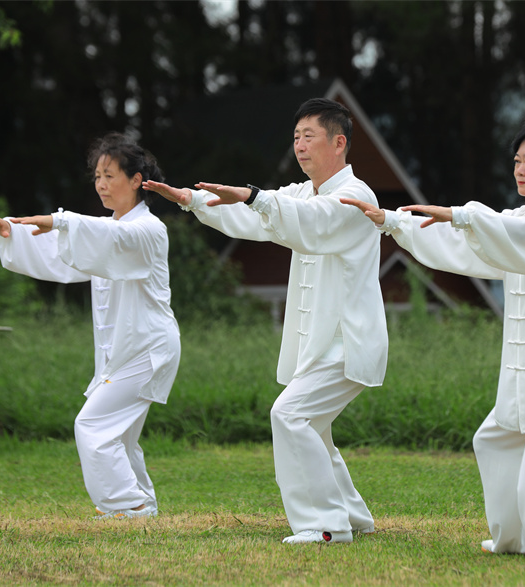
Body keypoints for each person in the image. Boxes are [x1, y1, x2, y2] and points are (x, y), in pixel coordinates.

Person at [342, 119, 525, 564]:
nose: (520, 170)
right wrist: (394, 222)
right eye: (516, 162)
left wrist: (465, 214)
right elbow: (471, 248)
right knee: (495, 439)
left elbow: (519, 239)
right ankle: (515, 538)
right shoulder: (519, 221)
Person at [142, 98, 389, 544]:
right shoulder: (300, 194)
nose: (299, 145)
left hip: (348, 340)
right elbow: (252, 216)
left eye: (308, 136)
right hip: (321, 342)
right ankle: (353, 516)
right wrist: (192, 200)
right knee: (312, 425)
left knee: (290, 415)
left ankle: (326, 526)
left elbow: (309, 222)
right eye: (295, 137)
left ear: (339, 143)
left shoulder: (357, 195)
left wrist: (256, 196)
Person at [0, 133, 180, 520]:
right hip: (126, 350)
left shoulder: (148, 229)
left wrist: (60, 220)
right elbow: (64, 257)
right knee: (121, 435)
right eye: (97, 176)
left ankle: (127, 506)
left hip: (147, 347)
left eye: (110, 175)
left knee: (92, 424)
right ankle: (142, 503)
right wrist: (13, 234)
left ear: (137, 180)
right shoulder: (107, 230)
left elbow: (103, 237)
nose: (101, 184)